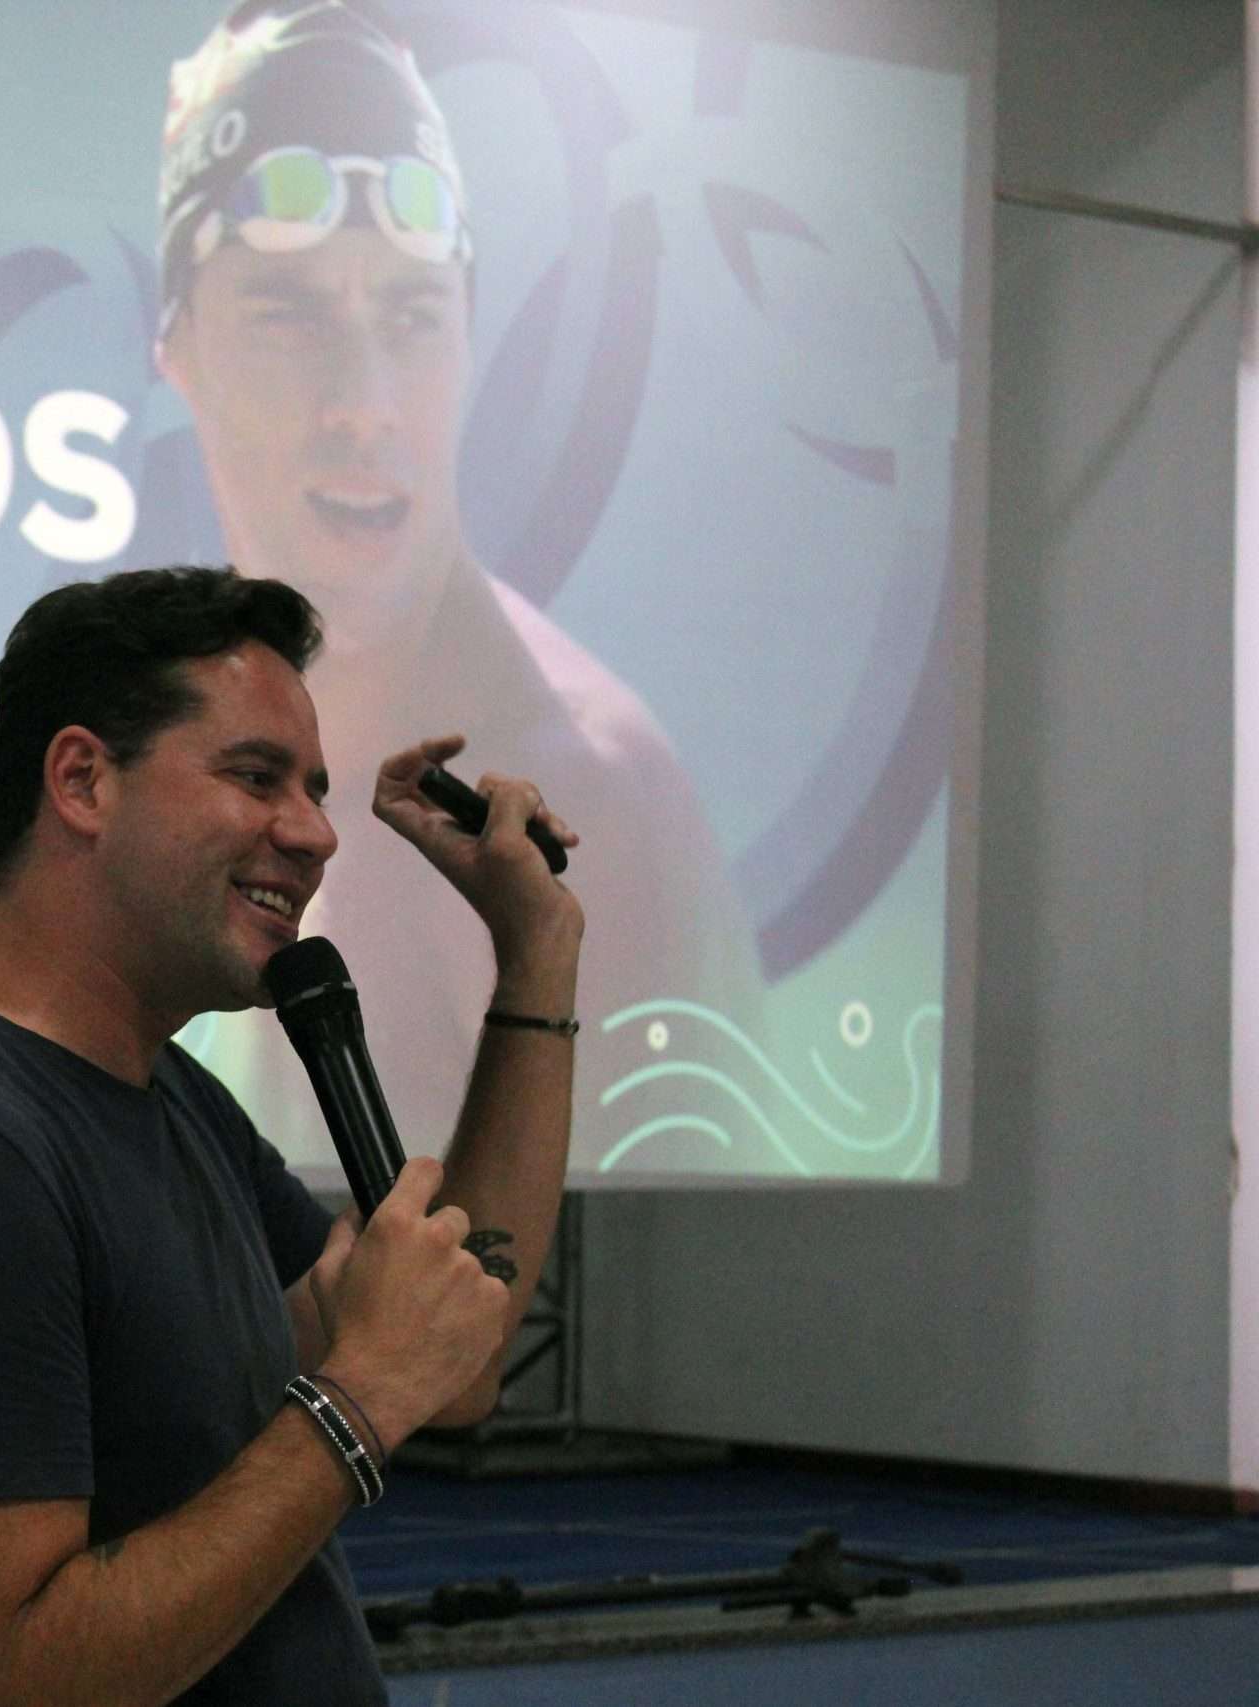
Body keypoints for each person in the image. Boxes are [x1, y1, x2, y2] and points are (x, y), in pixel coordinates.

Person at [0, 566, 581, 1703]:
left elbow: (454, 1368)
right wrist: (354, 1403)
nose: (317, 833)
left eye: (317, 789)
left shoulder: (167, 1096)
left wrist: (536, 953)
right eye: (255, 777)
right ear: (82, 780)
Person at [154, 0, 767, 1171]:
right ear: (177, 347)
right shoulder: (220, 754)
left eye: (411, 315)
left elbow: (481, 1307)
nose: (364, 403)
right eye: (289, 316)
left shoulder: (589, 787)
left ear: (472, 338)